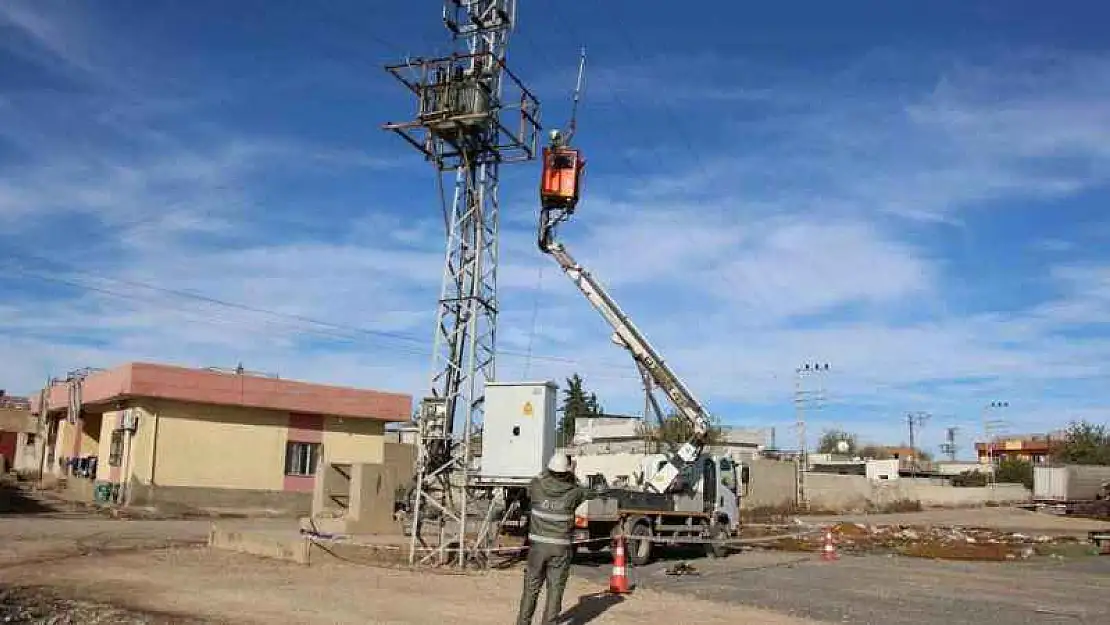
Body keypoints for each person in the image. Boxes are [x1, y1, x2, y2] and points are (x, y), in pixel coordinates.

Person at [516, 451, 605, 625]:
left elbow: (535, 480)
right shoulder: (574, 492)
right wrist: (572, 472)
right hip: (560, 549)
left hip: (537, 548)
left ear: (549, 469)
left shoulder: (536, 486)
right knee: (555, 590)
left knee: (530, 589)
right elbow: (591, 493)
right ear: (567, 471)